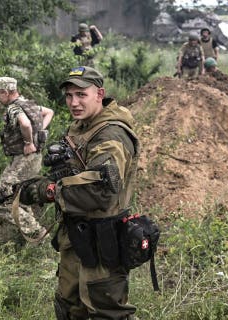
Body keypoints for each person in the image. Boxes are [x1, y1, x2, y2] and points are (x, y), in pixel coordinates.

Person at [19, 66, 140, 319]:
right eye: (69, 95)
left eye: (81, 95)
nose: (74, 102)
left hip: (102, 240)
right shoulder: (81, 126)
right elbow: (74, 173)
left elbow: (100, 192)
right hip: (75, 236)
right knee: (69, 307)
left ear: (99, 94)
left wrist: (48, 191)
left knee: (105, 312)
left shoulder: (111, 134)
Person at [0, 76, 54, 239]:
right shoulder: (29, 104)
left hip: (23, 160)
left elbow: (25, 124)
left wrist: (28, 142)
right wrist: (39, 131)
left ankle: (38, 234)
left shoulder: (14, 108)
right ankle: (30, 236)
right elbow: (49, 112)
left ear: (5, 92)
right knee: (22, 197)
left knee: (3, 201)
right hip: (35, 159)